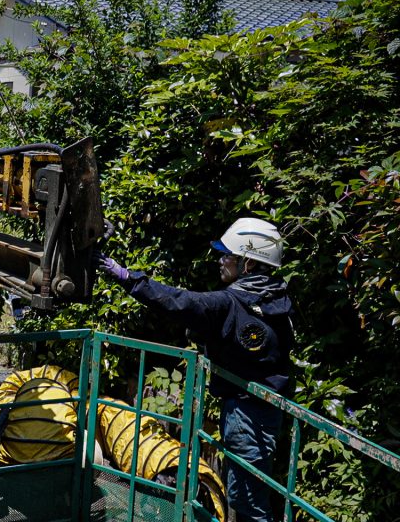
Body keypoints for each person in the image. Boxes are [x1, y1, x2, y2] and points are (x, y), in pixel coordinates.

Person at [95, 217, 295, 522]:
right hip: (263, 410)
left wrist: (126, 277)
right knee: (246, 494)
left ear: (249, 264)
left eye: (227, 255)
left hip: (248, 414)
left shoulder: (231, 303)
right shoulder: (277, 299)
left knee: (247, 501)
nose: (220, 261)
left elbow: (179, 302)